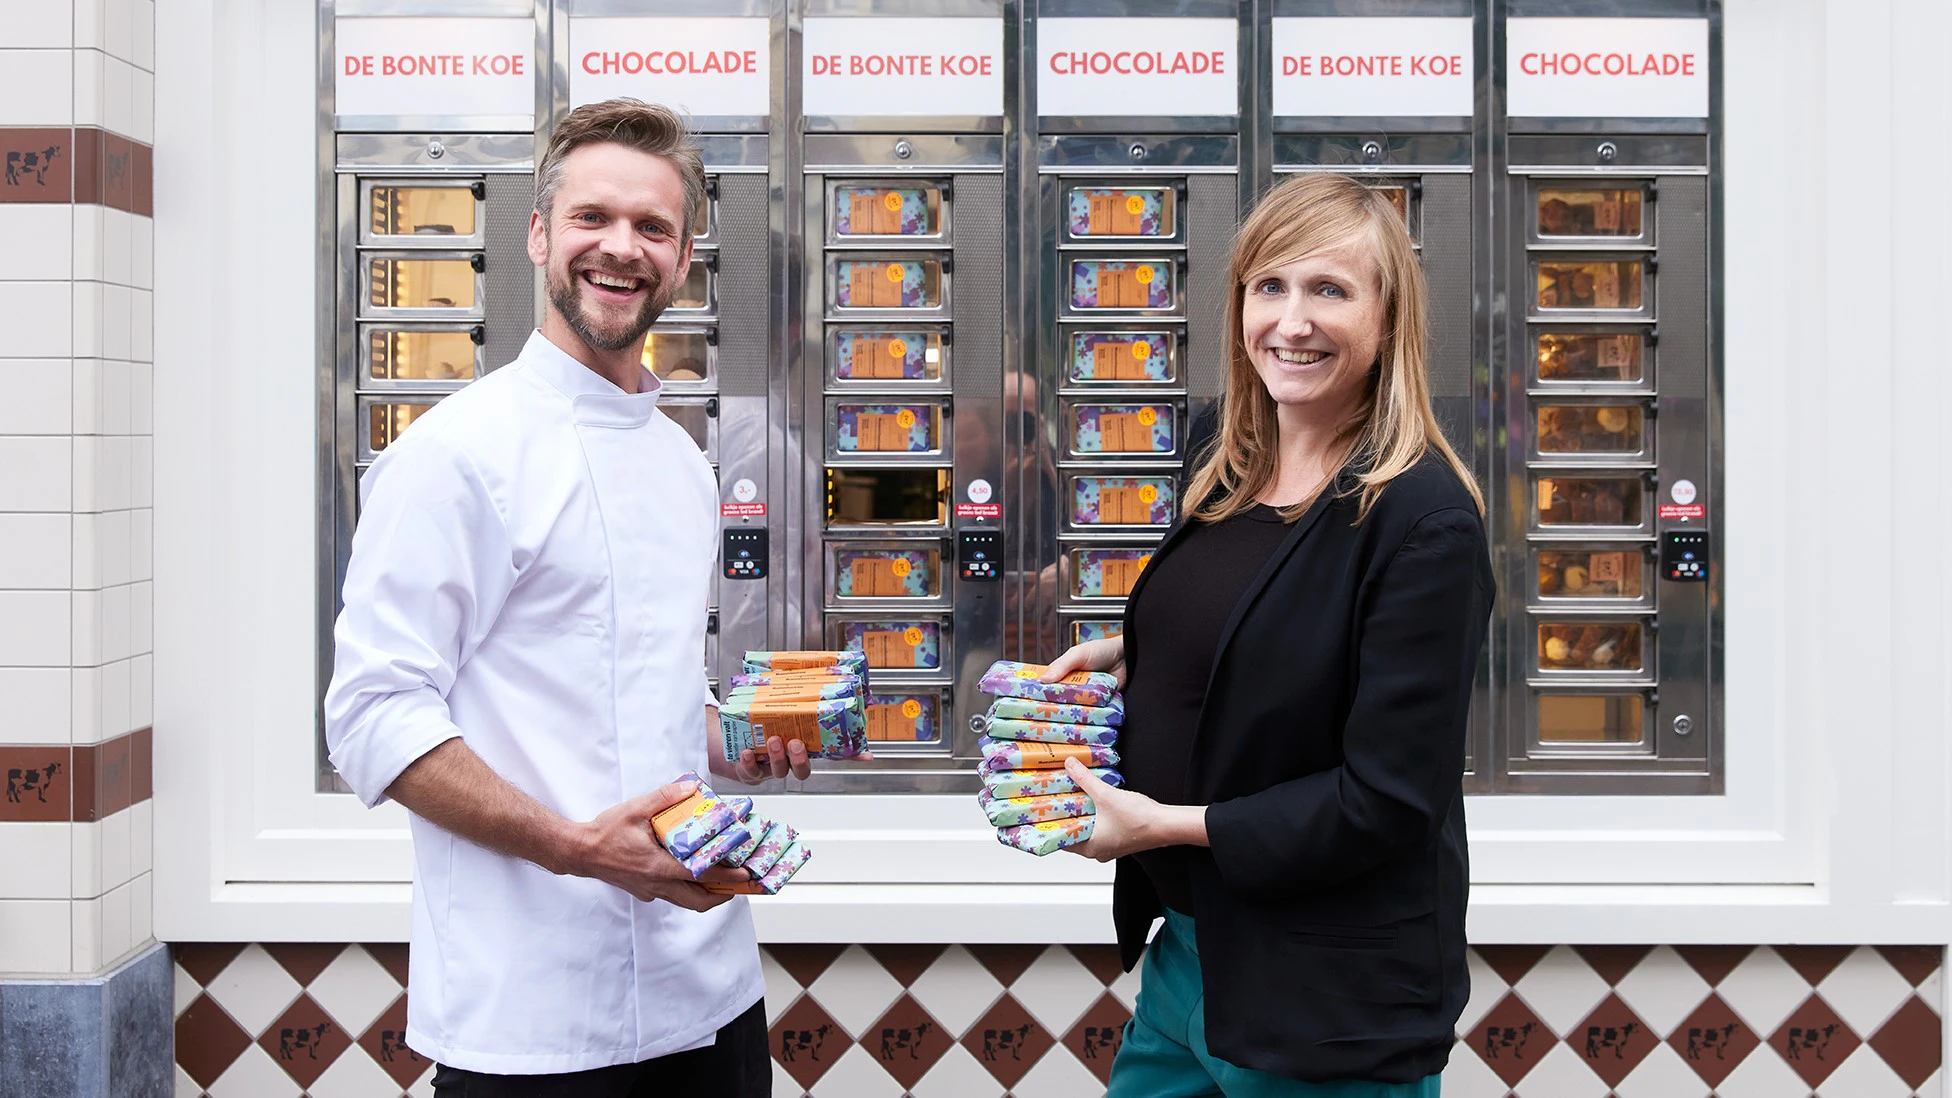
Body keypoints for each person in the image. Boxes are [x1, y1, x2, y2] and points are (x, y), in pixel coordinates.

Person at [324, 99, 859, 1097]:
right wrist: (575, 850)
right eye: (591, 218)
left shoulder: (676, 459)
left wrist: (734, 736)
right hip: (532, 1023)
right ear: (537, 234)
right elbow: (370, 716)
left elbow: (639, 683)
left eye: (651, 227)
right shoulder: (453, 457)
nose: (620, 248)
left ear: (685, 254)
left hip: (709, 1003)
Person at [1047, 172, 1494, 1095]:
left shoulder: (1421, 520)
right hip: (1194, 953)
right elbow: (1272, 614)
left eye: (1330, 290)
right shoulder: (1224, 454)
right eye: (1271, 287)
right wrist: (1141, 653)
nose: (1292, 322)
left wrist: (1160, 825)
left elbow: (1388, 799)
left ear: (1386, 318)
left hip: (1327, 994)